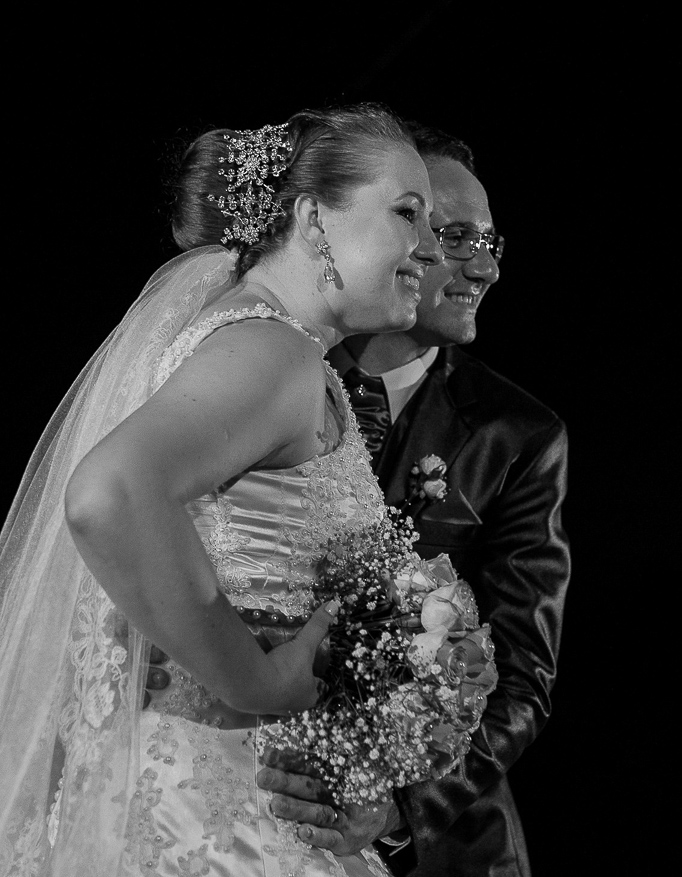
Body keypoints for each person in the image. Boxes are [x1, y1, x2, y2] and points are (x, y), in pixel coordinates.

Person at [0, 103, 445, 877]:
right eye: (408, 213)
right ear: (312, 218)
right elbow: (108, 492)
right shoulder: (273, 352)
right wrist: (255, 677)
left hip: (229, 792)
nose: (431, 248)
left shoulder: (262, 343)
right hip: (212, 812)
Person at [257, 124, 570, 876]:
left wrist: (397, 804)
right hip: (254, 792)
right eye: (453, 236)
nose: (485, 267)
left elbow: (522, 674)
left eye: (489, 242)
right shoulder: (266, 375)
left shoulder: (517, 434)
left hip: (442, 849)